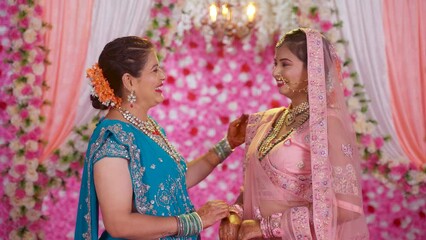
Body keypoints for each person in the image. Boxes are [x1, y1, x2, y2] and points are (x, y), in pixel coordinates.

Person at [74, 36, 248, 239]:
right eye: (155, 70)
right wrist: (195, 220)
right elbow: (119, 224)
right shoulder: (113, 142)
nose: (163, 76)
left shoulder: (146, 126)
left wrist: (228, 145)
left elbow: (174, 181)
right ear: (129, 81)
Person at [219, 28, 369, 240]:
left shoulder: (327, 123)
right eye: (275, 63)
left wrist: (268, 227)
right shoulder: (266, 120)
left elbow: (346, 206)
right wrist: (235, 214)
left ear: (311, 70)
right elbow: (255, 188)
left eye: (285, 64)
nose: (275, 72)